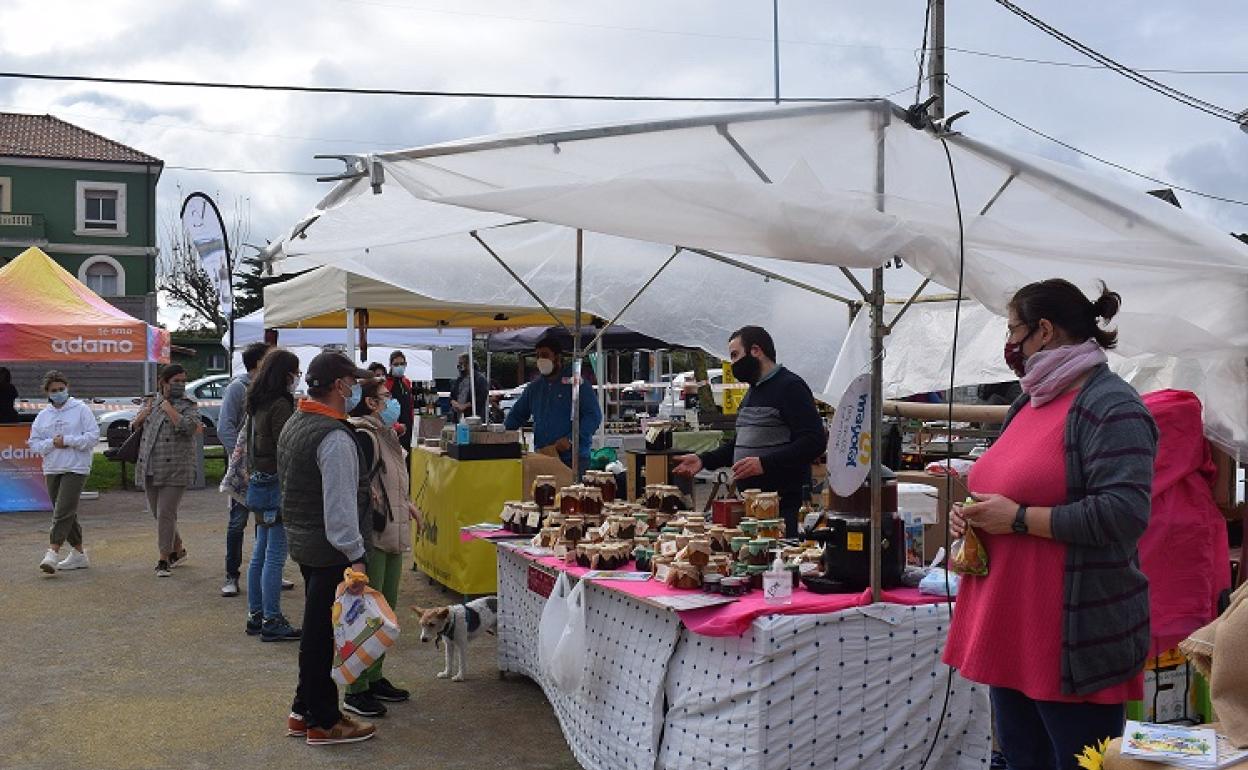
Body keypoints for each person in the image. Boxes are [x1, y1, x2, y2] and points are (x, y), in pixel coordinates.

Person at [943, 279, 1159, 769]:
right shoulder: (1032, 401)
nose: (1009, 344)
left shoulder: (1112, 406)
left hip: (1070, 639)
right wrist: (973, 516)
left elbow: (1124, 515)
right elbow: (1007, 484)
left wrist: (1016, 519)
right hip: (1011, 625)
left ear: (1043, 331)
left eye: (1013, 330)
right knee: (1021, 761)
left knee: (1076, 763)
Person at [278, 351, 376, 745]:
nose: (355, 389)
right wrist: (355, 554)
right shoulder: (334, 436)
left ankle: (303, 710)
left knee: (318, 632)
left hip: (305, 541)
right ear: (339, 386)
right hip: (330, 549)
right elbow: (340, 506)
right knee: (323, 638)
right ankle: (323, 720)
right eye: (352, 382)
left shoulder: (297, 420)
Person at [673, 325, 824, 538]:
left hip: (782, 509)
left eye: (735, 355)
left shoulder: (790, 387)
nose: (732, 363)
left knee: (780, 568)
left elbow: (814, 441)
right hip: (752, 508)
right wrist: (703, 460)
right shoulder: (752, 392)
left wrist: (764, 463)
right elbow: (740, 443)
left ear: (755, 351)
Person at [344, 378, 420, 717]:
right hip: (373, 537)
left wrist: (407, 504)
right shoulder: (363, 435)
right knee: (367, 615)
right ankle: (356, 688)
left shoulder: (385, 434)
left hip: (392, 531)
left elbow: (391, 482)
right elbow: (359, 486)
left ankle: (374, 677)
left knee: (385, 612)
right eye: (386, 397)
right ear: (371, 403)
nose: (393, 402)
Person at [242, 349, 302, 642]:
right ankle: (271, 618)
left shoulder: (257, 401)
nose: (297, 378)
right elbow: (286, 447)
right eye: (295, 372)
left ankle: (256, 614)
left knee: (260, 554)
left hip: (259, 481)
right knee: (274, 557)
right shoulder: (280, 404)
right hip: (276, 483)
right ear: (285, 374)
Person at [133, 364, 201, 577]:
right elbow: (133, 426)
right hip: (151, 464)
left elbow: (191, 429)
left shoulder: (189, 404)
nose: (180, 385)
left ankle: (164, 558)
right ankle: (178, 548)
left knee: (165, 513)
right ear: (164, 382)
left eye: (183, 381)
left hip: (177, 466)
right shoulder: (150, 402)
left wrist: (170, 409)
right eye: (176, 381)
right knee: (159, 513)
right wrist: (141, 416)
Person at [28, 370, 99, 573]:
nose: (59, 392)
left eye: (62, 389)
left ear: (67, 388)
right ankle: (78, 553)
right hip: (52, 467)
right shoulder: (43, 416)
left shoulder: (81, 409)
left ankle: (52, 552)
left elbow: (93, 437)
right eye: (54, 390)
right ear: (47, 393)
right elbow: (34, 443)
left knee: (63, 510)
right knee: (67, 512)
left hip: (76, 467)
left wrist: (68, 440)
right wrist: (52, 443)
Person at [504, 335, 603, 473]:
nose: (540, 360)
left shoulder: (576, 384)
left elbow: (593, 416)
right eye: (537, 356)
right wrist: (501, 435)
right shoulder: (534, 388)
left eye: (545, 355)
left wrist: (571, 439)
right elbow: (516, 415)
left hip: (574, 459)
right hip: (544, 456)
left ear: (557, 358)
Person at [218, 342, 271, 598]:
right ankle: (231, 575)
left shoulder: (271, 390)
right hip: (244, 471)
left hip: (266, 471)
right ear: (257, 363)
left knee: (268, 523)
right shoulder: (238, 389)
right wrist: (239, 461)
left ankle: (268, 572)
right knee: (238, 523)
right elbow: (224, 426)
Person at [384, 351, 414, 452]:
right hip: (393, 428)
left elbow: (410, 404)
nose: (399, 366)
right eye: (396, 364)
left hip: (408, 426)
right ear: (390, 365)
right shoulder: (386, 383)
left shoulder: (407, 382)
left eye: (402, 364)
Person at [450, 352, 489, 422]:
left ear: (468, 364)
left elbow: (481, 397)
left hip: (474, 417)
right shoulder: (459, 379)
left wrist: (465, 406)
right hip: (459, 417)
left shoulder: (480, 379)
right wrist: (453, 402)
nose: (459, 366)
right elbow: (452, 395)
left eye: (461, 363)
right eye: (459, 363)